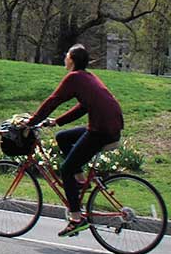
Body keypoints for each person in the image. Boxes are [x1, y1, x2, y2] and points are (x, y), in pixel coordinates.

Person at [25, 44, 124, 237]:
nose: (65, 59)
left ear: (72, 60)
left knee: (66, 169)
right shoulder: (87, 76)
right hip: (110, 126)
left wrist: (31, 122)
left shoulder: (74, 77)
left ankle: (76, 219)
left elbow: (53, 100)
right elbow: (83, 107)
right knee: (63, 137)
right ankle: (80, 182)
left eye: (67, 56)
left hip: (101, 130)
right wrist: (57, 121)